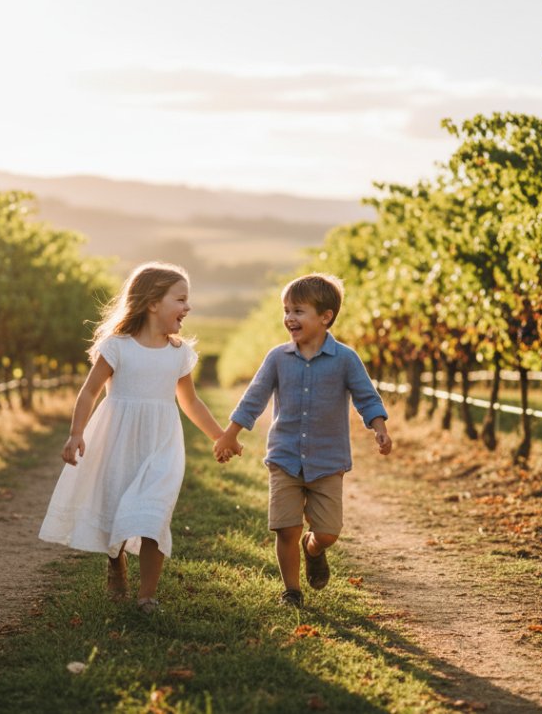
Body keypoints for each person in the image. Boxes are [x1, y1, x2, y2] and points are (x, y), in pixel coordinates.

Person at [38, 262, 233, 614]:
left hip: (161, 443)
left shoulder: (179, 354)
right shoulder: (118, 347)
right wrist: (77, 433)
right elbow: (89, 391)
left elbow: (190, 401)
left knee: (153, 515)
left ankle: (147, 596)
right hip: (118, 438)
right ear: (152, 303)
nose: (187, 308)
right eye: (181, 299)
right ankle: (115, 561)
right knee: (116, 506)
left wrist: (219, 436)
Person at [213, 273, 391, 608]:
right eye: (287, 310)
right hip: (285, 457)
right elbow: (254, 398)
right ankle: (291, 592)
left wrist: (379, 427)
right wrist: (229, 435)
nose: (289, 318)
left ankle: (314, 548)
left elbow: (366, 397)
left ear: (325, 317)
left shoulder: (345, 359)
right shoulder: (277, 358)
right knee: (286, 529)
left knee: (328, 532)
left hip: (328, 460)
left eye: (298, 311)